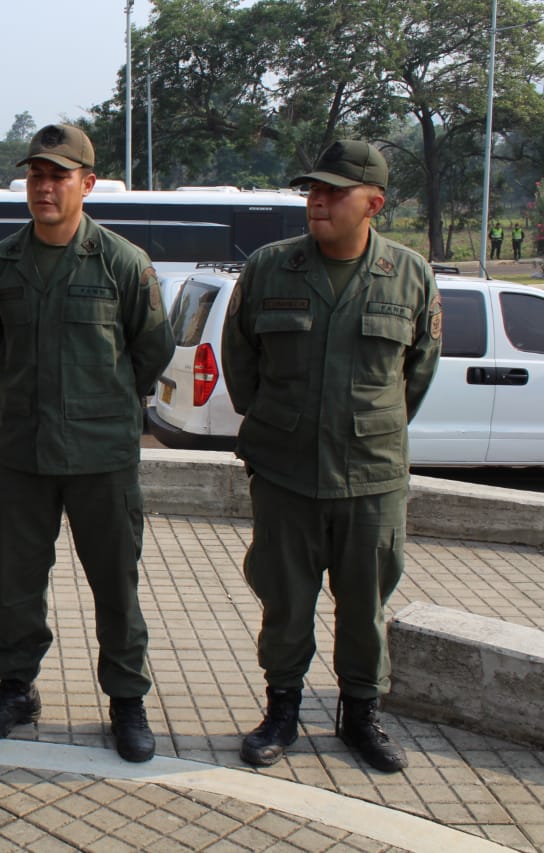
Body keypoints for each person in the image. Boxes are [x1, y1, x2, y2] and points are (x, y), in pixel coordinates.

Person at [221, 140, 442, 773]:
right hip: (286, 472)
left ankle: (360, 714)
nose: (317, 201)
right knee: (285, 600)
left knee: (364, 605)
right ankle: (282, 711)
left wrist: (370, 428)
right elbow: (241, 362)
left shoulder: (409, 273)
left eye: (334, 192)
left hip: (371, 477)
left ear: (373, 202)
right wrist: (280, 428)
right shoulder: (269, 268)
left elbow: (416, 374)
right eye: (312, 191)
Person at [0, 124, 173, 763]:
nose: (45, 188)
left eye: (58, 176)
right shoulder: (2, 264)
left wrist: (100, 408)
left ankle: (127, 702)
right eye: (36, 175)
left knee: (115, 584)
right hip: (23, 457)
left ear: (86, 183)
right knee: (17, 585)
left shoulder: (121, 262)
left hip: (101, 459)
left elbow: (152, 350)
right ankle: (16, 690)